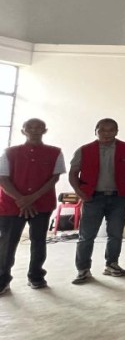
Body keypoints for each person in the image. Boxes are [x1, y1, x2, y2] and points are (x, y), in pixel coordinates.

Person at [69, 119, 125, 284]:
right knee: (86, 235)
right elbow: (73, 173)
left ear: (117, 131)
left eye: (111, 130)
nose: (107, 134)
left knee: (115, 234)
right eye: (102, 130)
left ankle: (112, 264)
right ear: (96, 131)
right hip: (93, 198)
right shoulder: (84, 150)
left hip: (118, 198)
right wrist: (80, 193)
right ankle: (83, 269)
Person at [0, 119, 65, 293]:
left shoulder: (55, 152)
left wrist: (31, 198)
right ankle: (2, 279)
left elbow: (54, 178)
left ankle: (36, 276)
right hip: (11, 205)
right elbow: (3, 178)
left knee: (38, 241)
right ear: (23, 131)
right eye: (30, 127)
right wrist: (21, 199)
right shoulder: (9, 152)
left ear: (45, 130)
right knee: (7, 242)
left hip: (41, 204)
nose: (34, 130)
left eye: (39, 127)